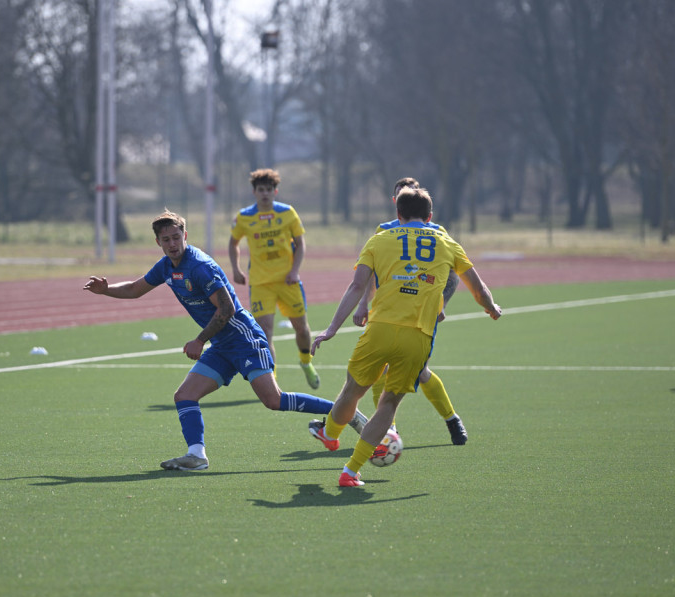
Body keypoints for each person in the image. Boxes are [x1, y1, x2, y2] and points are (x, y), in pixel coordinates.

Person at [84, 210, 366, 471]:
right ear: (158, 242)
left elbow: (227, 309)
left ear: (186, 236)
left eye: (176, 237)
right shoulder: (166, 266)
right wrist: (106, 290)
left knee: (273, 400)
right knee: (184, 396)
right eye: (166, 239)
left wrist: (199, 340)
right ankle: (196, 455)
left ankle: (345, 412)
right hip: (221, 345)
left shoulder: (199, 267)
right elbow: (135, 289)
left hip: (244, 338)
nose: (172, 243)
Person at [309, 187, 502, 487]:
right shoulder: (447, 242)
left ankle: (331, 434)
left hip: (380, 329)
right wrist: (491, 307)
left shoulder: (379, 239)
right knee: (388, 404)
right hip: (418, 336)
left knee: (352, 391)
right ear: (430, 216)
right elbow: (478, 287)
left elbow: (357, 286)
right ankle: (350, 472)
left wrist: (331, 328)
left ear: (397, 214)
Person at [353, 177, 468, 446]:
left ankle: (451, 418)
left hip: (419, 315)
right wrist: (362, 304)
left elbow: (453, 275)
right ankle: (389, 431)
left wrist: (443, 303)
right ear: (396, 202)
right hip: (386, 313)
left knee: (421, 372)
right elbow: (370, 274)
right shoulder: (383, 232)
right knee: (380, 371)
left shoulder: (436, 231)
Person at [228, 168, 320, 389]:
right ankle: (273, 380)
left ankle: (306, 362)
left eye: (269, 189)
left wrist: (295, 270)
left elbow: (300, 244)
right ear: (254, 192)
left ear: (275, 191)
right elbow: (233, 244)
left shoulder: (287, 213)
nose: (265, 194)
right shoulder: (244, 217)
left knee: (302, 328)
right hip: (261, 283)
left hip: (288, 281)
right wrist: (236, 269)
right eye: (261, 190)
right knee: (265, 331)